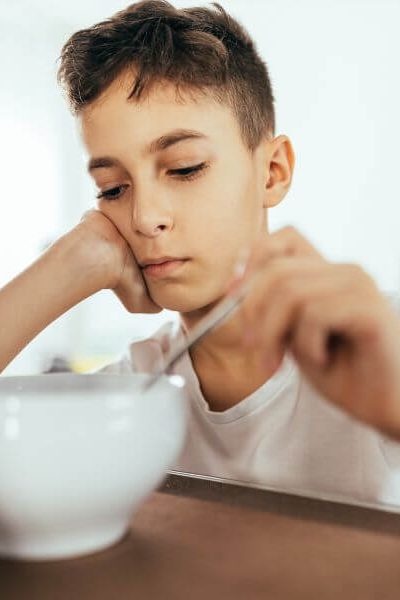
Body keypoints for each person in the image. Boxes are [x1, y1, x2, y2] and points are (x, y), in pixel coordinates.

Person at [2, 0, 400, 504]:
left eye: (185, 168)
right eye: (112, 189)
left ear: (272, 171)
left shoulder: (381, 340)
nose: (145, 218)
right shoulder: (132, 392)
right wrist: (68, 263)